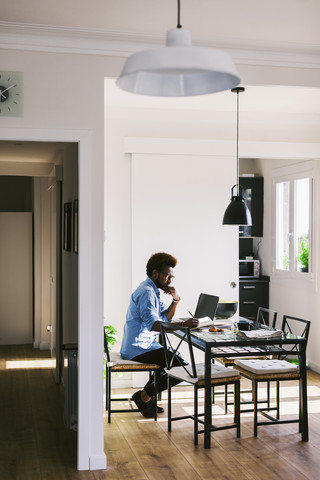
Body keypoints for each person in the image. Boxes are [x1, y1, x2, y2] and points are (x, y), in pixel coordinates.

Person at [120, 252, 199, 417]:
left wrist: (176, 300)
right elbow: (155, 325)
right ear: (155, 273)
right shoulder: (147, 292)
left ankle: (146, 398)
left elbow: (163, 317)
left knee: (173, 358)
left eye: (171, 277)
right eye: (167, 276)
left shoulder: (152, 290)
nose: (169, 280)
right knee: (183, 368)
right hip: (138, 348)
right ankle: (144, 396)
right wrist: (183, 325)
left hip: (146, 345)